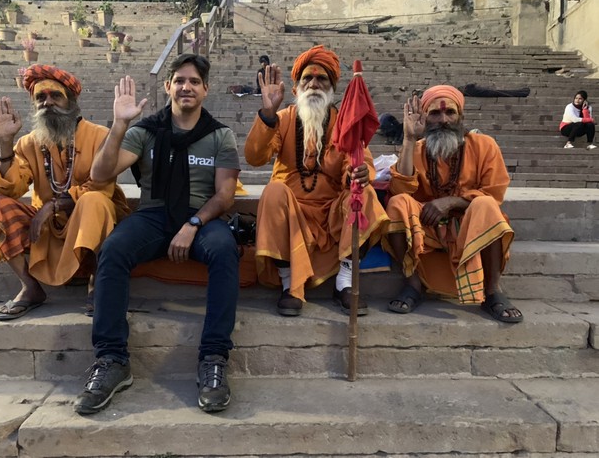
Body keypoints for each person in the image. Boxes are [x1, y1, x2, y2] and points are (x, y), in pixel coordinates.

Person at [74, 54, 241, 415]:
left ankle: (213, 358)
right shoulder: (145, 130)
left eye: (194, 81)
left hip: (201, 220)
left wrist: (193, 224)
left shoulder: (219, 135)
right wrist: (119, 124)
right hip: (153, 216)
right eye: (179, 80)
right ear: (168, 87)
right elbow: (101, 175)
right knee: (114, 249)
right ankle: (112, 360)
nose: (186, 87)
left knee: (225, 250)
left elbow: (225, 195)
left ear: (205, 90)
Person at [0, 64, 129, 321]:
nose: (48, 102)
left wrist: (52, 206)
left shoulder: (99, 135)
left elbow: (102, 185)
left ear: (71, 101)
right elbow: (10, 189)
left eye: (55, 96)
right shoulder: (27, 143)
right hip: (45, 231)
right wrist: (5, 143)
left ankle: (97, 282)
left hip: (90, 222)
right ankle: (30, 287)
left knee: (93, 200)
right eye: (40, 98)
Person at [244, 45, 387, 317]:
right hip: (292, 216)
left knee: (365, 193)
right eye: (307, 78)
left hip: (331, 218)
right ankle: (290, 285)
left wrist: (357, 173)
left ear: (332, 87)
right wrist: (268, 114)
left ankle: (344, 282)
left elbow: (359, 161)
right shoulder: (283, 119)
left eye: (322, 79)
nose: (314, 84)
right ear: (296, 88)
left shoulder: (345, 124)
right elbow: (254, 157)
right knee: (274, 191)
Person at [382, 85, 523, 323]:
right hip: (429, 225)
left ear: (461, 117)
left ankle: (492, 291)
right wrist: (408, 138)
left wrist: (451, 202)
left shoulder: (484, 145)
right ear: (425, 118)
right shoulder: (416, 149)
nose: (443, 120)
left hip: (470, 224)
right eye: (435, 114)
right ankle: (413, 285)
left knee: (486, 205)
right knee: (397, 203)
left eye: (450, 113)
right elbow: (400, 189)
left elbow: (494, 192)